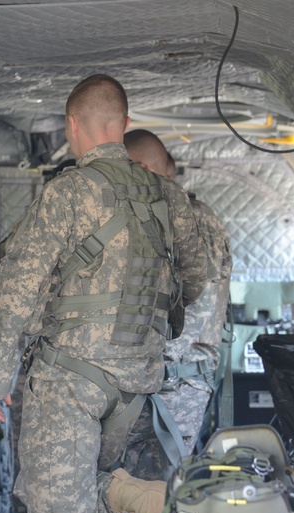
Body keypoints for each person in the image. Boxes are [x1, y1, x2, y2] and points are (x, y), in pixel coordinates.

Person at [0, 74, 207, 513]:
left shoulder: (69, 192)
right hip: (134, 386)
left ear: (73, 127)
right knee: (60, 492)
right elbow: (201, 271)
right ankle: (121, 488)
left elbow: (14, 291)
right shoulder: (168, 197)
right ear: (125, 126)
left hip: (71, 379)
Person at [119, 130, 233, 477]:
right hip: (150, 380)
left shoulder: (193, 220)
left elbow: (197, 305)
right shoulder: (155, 219)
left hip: (174, 384)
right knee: (129, 492)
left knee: (157, 492)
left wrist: (145, 363)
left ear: (138, 169)